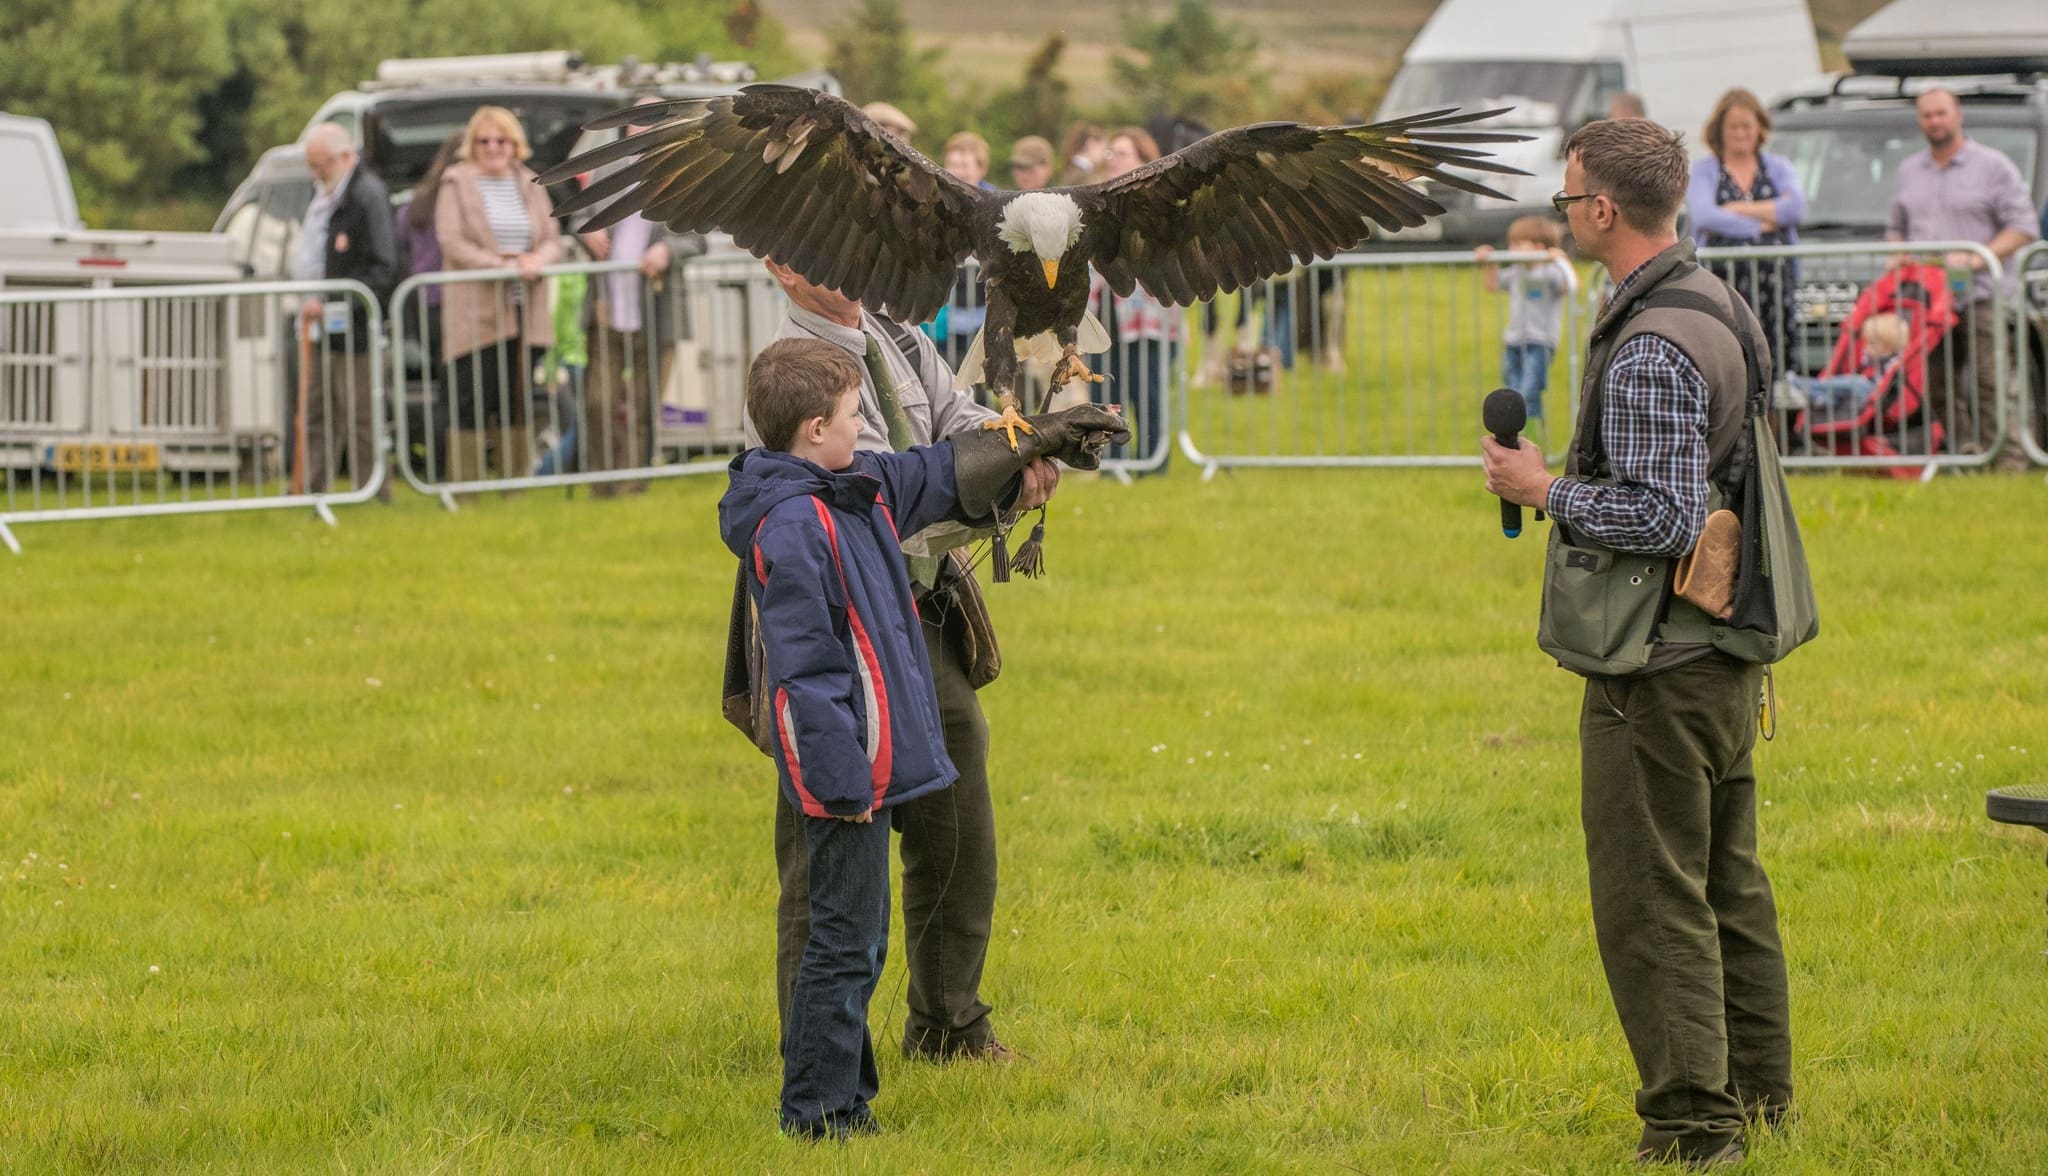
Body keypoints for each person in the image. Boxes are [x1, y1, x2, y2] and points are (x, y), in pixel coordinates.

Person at [1482, 118, 1792, 1170]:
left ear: (1603, 209)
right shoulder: (1715, 302)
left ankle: (1694, 1127)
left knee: (1653, 901)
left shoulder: (1652, 342)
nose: (1564, 214)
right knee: (1726, 887)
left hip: (1656, 664)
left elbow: (1664, 515)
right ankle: (1760, 1101)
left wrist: (1543, 489)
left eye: (1568, 200)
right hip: (1720, 648)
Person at [721, 339, 1123, 1139]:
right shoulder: (794, 526)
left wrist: (1035, 437)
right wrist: (842, 781)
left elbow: (936, 470)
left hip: (867, 767)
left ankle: (846, 1098)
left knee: (863, 942)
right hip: (843, 779)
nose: (862, 423)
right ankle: (820, 1115)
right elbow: (806, 673)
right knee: (842, 944)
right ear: (814, 430)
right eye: (852, 414)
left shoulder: (856, 488)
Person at [754, 258, 1063, 1062]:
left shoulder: (895, 333)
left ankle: (949, 1027)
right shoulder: (788, 373)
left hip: (922, 611)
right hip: (835, 631)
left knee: (959, 821)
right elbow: (879, 512)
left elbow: (963, 423)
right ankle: (817, 1055)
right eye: (818, 243)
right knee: (828, 844)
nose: (846, 251)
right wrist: (999, 490)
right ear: (781, 265)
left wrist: (1029, 444)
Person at [1886, 87, 2039, 469]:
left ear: (1958, 115)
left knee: (1991, 380)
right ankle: (1963, 456)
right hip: (1926, 299)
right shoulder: (1909, 171)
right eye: (1927, 115)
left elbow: (2023, 227)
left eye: (1941, 113)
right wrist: (1898, 253)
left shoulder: (1994, 166)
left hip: (1981, 294)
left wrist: (1977, 258)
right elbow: (1896, 228)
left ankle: (2008, 462)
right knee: (1934, 383)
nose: (1934, 121)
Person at [578, 98, 704, 497]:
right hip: (607, 305)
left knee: (643, 403)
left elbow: (698, 237)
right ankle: (602, 483)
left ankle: (634, 484)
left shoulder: (683, 173)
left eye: (656, 120)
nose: (646, 127)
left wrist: (667, 250)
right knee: (598, 401)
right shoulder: (607, 168)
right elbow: (579, 216)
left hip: (656, 305)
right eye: (639, 120)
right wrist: (587, 234)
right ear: (627, 127)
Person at [435, 105, 563, 482]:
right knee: (472, 398)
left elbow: (552, 238)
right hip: (475, 312)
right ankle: (467, 485)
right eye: (484, 140)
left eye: (501, 140)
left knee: (516, 398)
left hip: (524, 310)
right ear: (472, 145)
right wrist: (499, 266)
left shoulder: (530, 181)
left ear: (514, 143)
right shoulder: (456, 181)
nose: (493, 147)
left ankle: (514, 483)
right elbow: (451, 241)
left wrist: (537, 260)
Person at [294, 122, 396, 502]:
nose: (315, 173)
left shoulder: (367, 196)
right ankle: (312, 490)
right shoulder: (326, 195)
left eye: (320, 164)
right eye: (311, 165)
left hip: (355, 328)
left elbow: (383, 266)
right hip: (321, 327)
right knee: (318, 411)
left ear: (345, 157)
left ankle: (374, 493)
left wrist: (336, 300)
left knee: (361, 413)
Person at [1688, 89, 1805, 376]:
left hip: (1775, 288)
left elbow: (1796, 209)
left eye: (1747, 126)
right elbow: (1705, 215)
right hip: (1722, 285)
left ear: (1759, 127)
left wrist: (1737, 208)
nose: (1740, 134)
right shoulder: (1704, 170)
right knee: (1728, 358)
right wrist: (1761, 224)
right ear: (1720, 129)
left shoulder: (1778, 167)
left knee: (1774, 361)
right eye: (1733, 127)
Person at [1087, 127, 1180, 470]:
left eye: (1123, 153)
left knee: (1147, 391)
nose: (1114, 160)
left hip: (1146, 317)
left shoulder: (1157, 203)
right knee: (1105, 396)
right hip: (1104, 313)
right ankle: (1111, 462)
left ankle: (1153, 461)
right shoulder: (1098, 198)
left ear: (1144, 160)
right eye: (1111, 153)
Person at [1476, 215, 1576, 437]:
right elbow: (1492, 285)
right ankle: (1517, 435)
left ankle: (1532, 435)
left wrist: (1561, 261)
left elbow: (1570, 286)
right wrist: (1489, 263)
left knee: (1529, 390)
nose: (1512, 249)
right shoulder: (1516, 271)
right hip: (1514, 340)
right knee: (1512, 391)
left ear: (1539, 247)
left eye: (1519, 244)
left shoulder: (1550, 272)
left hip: (1540, 342)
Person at [937, 132, 998, 364]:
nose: (957, 172)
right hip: (946, 308)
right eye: (952, 164)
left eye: (964, 165)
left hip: (983, 306)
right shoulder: (935, 198)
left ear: (981, 168)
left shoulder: (995, 200)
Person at [1786, 312, 1908, 422]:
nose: (1866, 348)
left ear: (1887, 346)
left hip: (1876, 396)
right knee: (1848, 384)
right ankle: (1822, 399)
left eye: (1871, 344)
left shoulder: (1895, 363)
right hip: (1869, 392)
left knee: (1855, 382)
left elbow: (1887, 384)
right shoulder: (1879, 358)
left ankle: (1806, 385)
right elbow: (1866, 363)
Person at [1058, 122, 1107, 187]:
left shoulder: (1073, 169)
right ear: (1092, 144)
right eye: (1103, 149)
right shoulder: (1082, 175)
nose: (1103, 154)